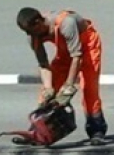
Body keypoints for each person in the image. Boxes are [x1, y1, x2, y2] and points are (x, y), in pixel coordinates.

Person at [16, 7, 108, 144]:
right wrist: (48, 89)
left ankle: (96, 129)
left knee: (89, 88)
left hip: (88, 45)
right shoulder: (32, 36)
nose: (30, 35)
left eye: (31, 31)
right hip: (66, 48)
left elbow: (77, 57)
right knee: (48, 89)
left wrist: (68, 86)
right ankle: (38, 132)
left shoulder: (66, 23)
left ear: (38, 22)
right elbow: (43, 64)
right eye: (27, 32)